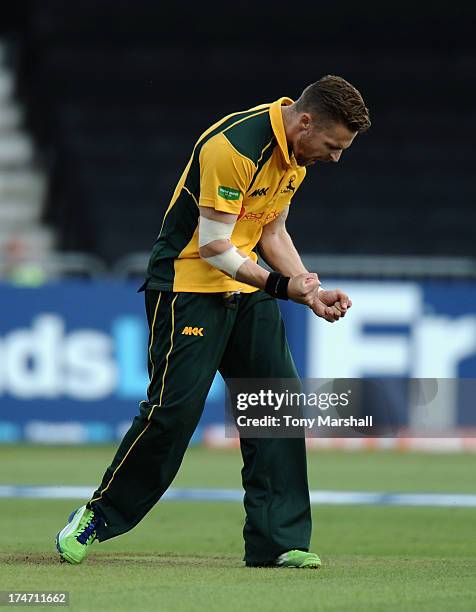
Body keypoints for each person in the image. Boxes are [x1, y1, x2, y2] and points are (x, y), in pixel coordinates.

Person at [56, 75, 370, 568]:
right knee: (173, 414)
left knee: (275, 408)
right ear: (305, 121)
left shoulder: (296, 156)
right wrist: (277, 286)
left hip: (245, 287)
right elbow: (214, 245)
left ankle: (277, 541)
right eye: (332, 146)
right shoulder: (235, 145)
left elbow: (272, 228)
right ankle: (97, 516)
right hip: (187, 286)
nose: (335, 158)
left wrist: (307, 288)